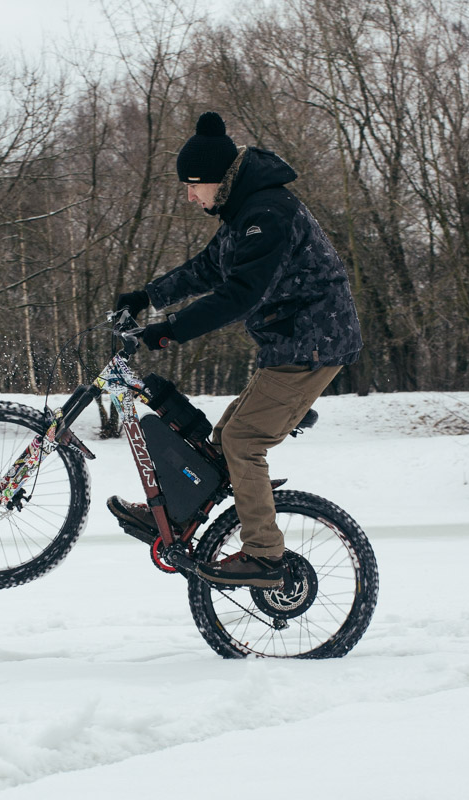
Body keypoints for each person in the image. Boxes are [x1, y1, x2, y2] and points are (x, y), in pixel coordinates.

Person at [108, 111, 363, 589]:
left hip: (313, 345)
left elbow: (240, 293)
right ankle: (176, 517)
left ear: (214, 179)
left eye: (192, 185)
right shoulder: (245, 210)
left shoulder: (268, 213)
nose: (188, 195)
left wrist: (169, 331)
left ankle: (266, 556)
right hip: (291, 346)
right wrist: (149, 297)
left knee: (242, 443)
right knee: (224, 442)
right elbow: (210, 267)